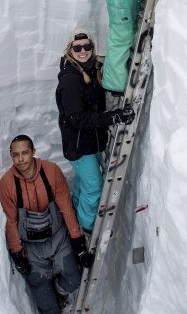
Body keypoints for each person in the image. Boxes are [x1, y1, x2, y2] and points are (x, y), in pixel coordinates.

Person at [0, 135, 94, 313]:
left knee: (74, 280)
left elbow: (66, 207)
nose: (20, 159)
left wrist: (77, 242)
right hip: (31, 247)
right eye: (16, 155)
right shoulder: (7, 183)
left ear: (33, 152)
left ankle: (59, 291)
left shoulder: (51, 171)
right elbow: (10, 221)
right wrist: (18, 254)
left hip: (57, 238)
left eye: (25, 153)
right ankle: (50, 296)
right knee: (46, 306)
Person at [55, 29, 135, 232]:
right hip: (80, 147)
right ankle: (85, 229)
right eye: (77, 47)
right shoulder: (70, 80)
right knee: (94, 188)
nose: (83, 51)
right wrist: (113, 116)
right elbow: (77, 118)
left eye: (87, 46)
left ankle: (74, 214)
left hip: (92, 142)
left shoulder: (92, 68)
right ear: (69, 50)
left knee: (84, 183)